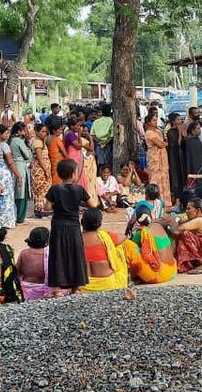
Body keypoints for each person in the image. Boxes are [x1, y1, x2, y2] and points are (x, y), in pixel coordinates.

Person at [46, 159, 96, 295]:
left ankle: (57, 288)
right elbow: (92, 205)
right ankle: (76, 287)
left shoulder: (55, 189)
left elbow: (47, 207)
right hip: (74, 226)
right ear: (73, 174)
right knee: (75, 254)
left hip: (58, 225)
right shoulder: (79, 189)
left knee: (58, 254)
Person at [76, 208, 129, 293]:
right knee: (119, 248)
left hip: (83, 286)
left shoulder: (75, 238)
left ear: (82, 222)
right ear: (99, 224)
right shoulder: (104, 236)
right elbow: (123, 238)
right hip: (108, 284)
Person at [122, 205, 178, 284]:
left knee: (128, 245)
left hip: (159, 275)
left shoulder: (142, 232)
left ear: (137, 219)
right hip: (172, 270)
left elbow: (133, 247)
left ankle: (133, 277)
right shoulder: (158, 226)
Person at [169, 198, 202, 274]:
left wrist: (173, 221)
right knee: (182, 238)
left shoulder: (199, 220)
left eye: (189, 209)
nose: (186, 211)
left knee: (185, 234)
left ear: (198, 210)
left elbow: (175, 231)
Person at [0, 126, 18, 228]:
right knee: (7, 197)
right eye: (6, 133)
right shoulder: (4, 146)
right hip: (4, 172)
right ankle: (6, 222)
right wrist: (18, 175)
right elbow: (10, 162)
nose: (8, 135)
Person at [9, 122, 34, 225]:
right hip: (20, 166)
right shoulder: (19, 141)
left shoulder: (11, 140)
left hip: (15, 166)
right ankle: (20, 217)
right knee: (21, 192)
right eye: (24, 130)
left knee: (17, 191)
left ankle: (19, 216)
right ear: (19, 131)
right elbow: (27, 155)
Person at [144, 116, 172, 204]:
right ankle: (155, 201)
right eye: (153, 120)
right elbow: (160, 144)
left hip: (162, 160)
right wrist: (166, 143)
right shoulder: (149, 132)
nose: (156, 122)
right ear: (148, 122)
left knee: (164, 180)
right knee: (155, 180)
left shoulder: (158, 131)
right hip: (154, 159)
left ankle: (166, 202)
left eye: (156, 120)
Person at [30, 124, 52, 217]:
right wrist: (46, 170)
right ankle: (41, 210)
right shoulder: (38, 142)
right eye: (42, 131)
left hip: (41, 168)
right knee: (41, 189)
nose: (45, 133)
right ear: (37, 132)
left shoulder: (40, 141)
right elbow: (39, 158)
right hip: (40, 169)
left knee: (43, 189)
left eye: (45, 131)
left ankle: (41, 209)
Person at [165, 114, 187, 205]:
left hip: (181, 156)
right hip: (174, 156)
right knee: (175, 176)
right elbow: (177, 143)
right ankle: (176, 196)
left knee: (182, 174)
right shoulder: (171, 131)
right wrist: (179, 132)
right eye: (178, 119)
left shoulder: (181, 130)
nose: (180, 121)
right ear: (173, 121)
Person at [47, 119, 68, 185]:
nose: (60, 131)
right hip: (58, 164)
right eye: (59, 129)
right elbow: (65, 154)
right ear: (54, 130)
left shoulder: (47, 139)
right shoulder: (57, 140)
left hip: (51, 162)